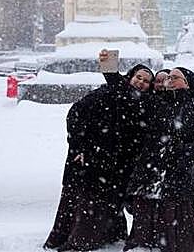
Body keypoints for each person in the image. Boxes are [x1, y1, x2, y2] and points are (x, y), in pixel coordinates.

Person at [45, 63, 154, 251]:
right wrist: (78, 147)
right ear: (130, 77)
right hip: (92, 159)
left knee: (108, 204)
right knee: (84, 203)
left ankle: (104, 238)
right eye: (139, 77)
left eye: (146, 81)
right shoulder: (108, 92)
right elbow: (76, 113)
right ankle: (77, 241)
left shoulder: (146, 105)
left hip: (117, 167)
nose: (141, 83)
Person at [124, 67, 194, 252]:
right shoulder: (155, 103)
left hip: (178, 177)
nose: (169, 80)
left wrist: (181, 151)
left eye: (175, 77)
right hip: (149, 174)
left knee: (177, 223)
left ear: (187, 83)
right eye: (168, 77)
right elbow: (128, 95)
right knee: (145, 218)